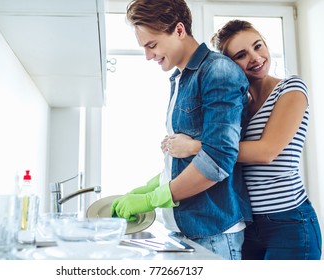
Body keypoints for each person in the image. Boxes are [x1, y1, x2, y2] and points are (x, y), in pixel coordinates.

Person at [162, 19, 322, 260]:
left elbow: (267, 151)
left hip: (289, 222)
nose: (255, 58)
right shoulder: (240, 103)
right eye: (241, 55)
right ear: (230, 63)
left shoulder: (291, 89)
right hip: (247, 223)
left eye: (258, 46)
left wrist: (196, 146)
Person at [110, 0, 252, 260]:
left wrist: (153, 198)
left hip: (214, 233)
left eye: (152, 45)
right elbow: (185, 159)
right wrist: (147, 188)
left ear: (178, 30)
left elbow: (217, 161)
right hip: (184, 230)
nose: (148, 55)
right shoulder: (181, 78)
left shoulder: (217, 71)